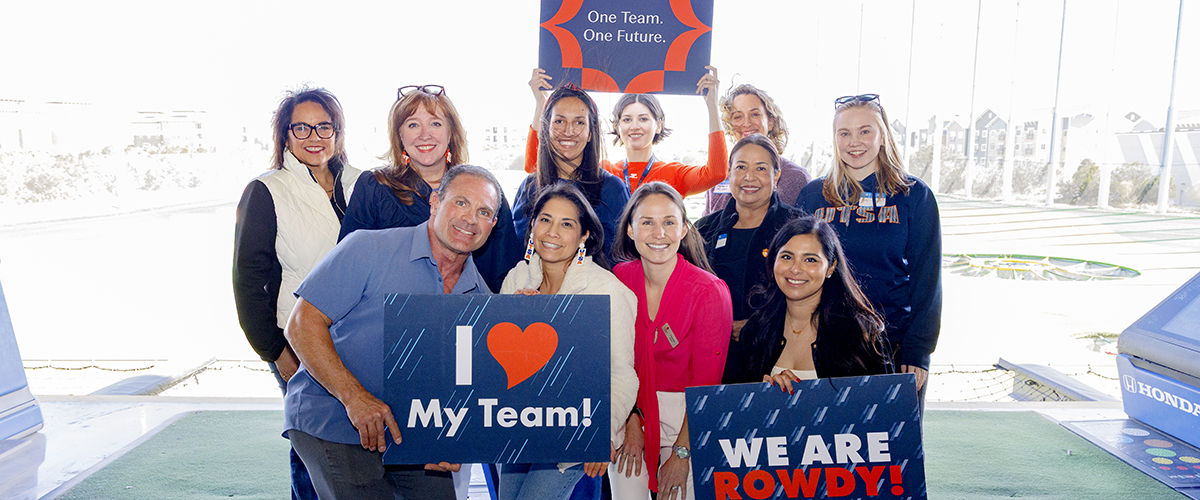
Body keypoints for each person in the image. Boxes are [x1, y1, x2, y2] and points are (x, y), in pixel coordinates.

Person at [283, 165, 502, 500]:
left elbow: (468, 387)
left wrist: (458, 441)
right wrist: (354, 397)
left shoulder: (481, 300)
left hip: (411, 433)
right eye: (460, 203)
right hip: (335, 417)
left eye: (483, 211)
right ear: (434, 203)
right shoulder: (368, 249)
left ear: (493, 225)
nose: (470, 218)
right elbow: (301, 323)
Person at [233, 86, 359, 500]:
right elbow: (249, 281)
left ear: (338, 132)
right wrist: (275, 351)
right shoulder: (267, 190)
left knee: (359, 443)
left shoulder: (362, 184)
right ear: (284, 136)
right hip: (300, 342)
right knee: (311, 444)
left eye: (324, 126)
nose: (313, 136)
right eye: (301, 127)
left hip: (359, 339)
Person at [794, 93, 942, 413]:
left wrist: (918, 352)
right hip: (822, 342)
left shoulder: (914, 196)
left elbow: (927, 280)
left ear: (883, 135)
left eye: (865, 131)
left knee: (893, 455)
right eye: (844, 133)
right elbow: (795, 272)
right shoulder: (813, 195)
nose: (854, 142)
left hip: (893, 348)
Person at [498, 182, 639, 500]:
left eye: (566, 224)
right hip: (519, 427)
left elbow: (621, 374)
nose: (552, 232)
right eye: (545, 220)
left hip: (575, 430)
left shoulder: (608, 291)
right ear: (532, 224)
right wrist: (516, 317)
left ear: (584, 236)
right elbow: (499, 366)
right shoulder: (517, 279)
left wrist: (602, 435)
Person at [610, 182, 732, 500]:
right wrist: (632, 420)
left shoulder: (709, 291)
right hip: (630, 409)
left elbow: (706, 385)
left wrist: (681, 455)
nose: (658, 233)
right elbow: (614, 361)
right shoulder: (619, 279)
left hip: (686, 420)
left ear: (683, 228)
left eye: (668, 222)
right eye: (647, 222)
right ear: (631, 230)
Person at [338, 85, 521, 292]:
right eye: (413, 125)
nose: (425, 135)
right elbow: (346, 268)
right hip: (387, 315)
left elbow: (507, 274)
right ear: (400, 135)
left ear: (451, 132)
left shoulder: (485, 190)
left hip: (468, 315)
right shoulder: (374, 187)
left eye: (435, 123)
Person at [722, 217, 893, 387]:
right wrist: (764, 395)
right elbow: (738, 406)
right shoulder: (756, 329)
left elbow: (886, 409)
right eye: (787, 257)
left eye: (810, 260)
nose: (795, 269)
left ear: (831, 267)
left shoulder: (862, 334)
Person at [694, 134, 803, 383]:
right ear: (729, 174)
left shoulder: (797, 227)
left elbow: (815, 291)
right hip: (714, 359)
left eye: (761, 168)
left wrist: (761, 324)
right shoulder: (704, 230)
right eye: (741, 167)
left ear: (776, 176)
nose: (749, 177)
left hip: (778, 357)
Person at [524, 67, 728, 198]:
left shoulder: (673, 174)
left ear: (658, 126)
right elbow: (534, 166)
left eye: (644, 119)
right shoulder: (603, 172)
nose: (635, 126)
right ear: (617, 127)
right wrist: (540, 104)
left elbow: (717, 173)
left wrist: (711, 105)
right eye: (627, 119)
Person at [512, 84, 629, 262]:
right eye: (559, 121)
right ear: (546, 129)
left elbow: (621, 262)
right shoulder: (528, 187)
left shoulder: (612, 189)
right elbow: (516, 255)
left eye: (579, 122)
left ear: (591, 133)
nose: (568, 131)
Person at [705, 84, 811, 215]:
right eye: (738, 116)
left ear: (770, 122)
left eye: (755, 114)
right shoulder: (717, 177)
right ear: (730, 125)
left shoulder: (796, 178)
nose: (747, 123)